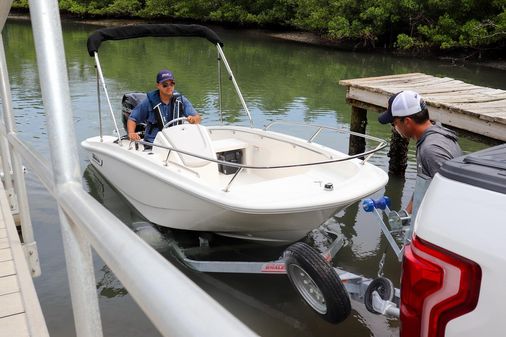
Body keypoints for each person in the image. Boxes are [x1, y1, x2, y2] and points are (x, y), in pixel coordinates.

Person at [378, 90, 462, 216]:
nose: (394, 128)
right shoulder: (434, 135)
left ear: (407, 121)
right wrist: (406, 214)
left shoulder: (431, 150)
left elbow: (449, 198)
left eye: (394, 123)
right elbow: (424, 186)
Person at [127, 69, 201, 143]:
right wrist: (131, 133)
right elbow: (132, 119)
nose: (169, 87)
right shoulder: (149, 102)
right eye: (165, 85)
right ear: (158, 85)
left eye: (172, 84)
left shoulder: (181, 100)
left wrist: (193, 119)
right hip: (154, 143)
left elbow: (197, 118)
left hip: (176, 142)